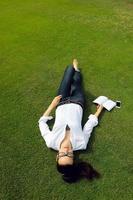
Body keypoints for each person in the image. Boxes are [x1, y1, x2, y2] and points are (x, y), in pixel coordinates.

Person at [38, 59, 105, 183]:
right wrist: (99, 111)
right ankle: (77, 69)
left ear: (57, 156)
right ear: (73, 158)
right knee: (77, 82)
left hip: (61, 102)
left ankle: (73, 68)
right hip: (78, 102)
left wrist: (52, 105)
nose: (67, 152)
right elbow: (89, 126)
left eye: (63, 155)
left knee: (68, 71)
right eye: (69, 155)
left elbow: (41, 123)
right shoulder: (81, 143)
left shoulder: (51, 142)